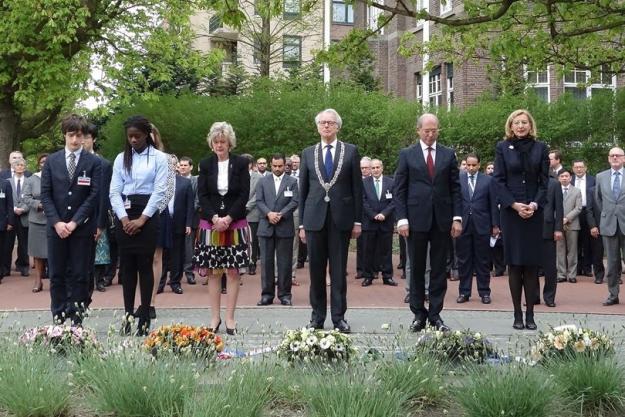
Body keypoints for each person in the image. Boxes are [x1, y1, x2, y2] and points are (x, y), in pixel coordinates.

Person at [395, 113, 462, 333]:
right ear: (418, 131)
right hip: (415, 220)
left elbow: (455, 188)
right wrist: (402, 219)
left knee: (439, 268)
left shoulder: (448, 154)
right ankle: (418, 313)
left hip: (442, 219)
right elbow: (400, 189)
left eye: (434, 130)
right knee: (415, 267)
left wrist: (456, 217)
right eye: (427, 131)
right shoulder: (407, 155)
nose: (431, 134)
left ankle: (435, 314)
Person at [299, 108, 363, 333]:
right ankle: (317, 317)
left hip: (341, 219)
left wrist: (358, 221)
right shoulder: (308, 153)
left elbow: (357, 188)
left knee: (338, 271)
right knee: (315, 271)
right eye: (322, 123)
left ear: (338, 126)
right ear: (317, 126)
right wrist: (301, 224)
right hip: (314, 220)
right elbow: (303, 189)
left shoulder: (351, 151)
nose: (326, 126)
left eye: (330, 123)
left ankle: (339, 318)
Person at [41, 114, 102, 325]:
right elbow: (46, 194)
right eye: (70, 135)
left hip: (81, 229)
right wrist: (57, 222)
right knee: (56, 275)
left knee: (80, 274)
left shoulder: (93, 162)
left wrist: (74, 222)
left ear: (85, 137)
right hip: (55, 228)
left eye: (79, 136)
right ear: (64, 135)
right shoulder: (51, 161)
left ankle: (77, 319)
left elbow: (94, 195)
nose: (75, 140)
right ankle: (58, 317)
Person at [109, 115, 168, 335]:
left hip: (148, 213)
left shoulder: (159, 158)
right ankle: (127, 314)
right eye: (130, 136)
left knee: (145, 264)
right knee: (127, 266)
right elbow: (114, 190)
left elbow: (160, 191)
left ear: (146, 135)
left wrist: (142, 219)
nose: (133, 140)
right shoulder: (120, 158)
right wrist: (124, 219)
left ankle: (144, 314)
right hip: (124, 212)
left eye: (137, 136)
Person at [492, 109, 549, 330]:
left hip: (534, 213)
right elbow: (498, 181)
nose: (521, 126)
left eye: (524, 122)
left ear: (530, 125)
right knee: (515, 264)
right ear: (511, 126)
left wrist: (534, 204)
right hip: (512, 213)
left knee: (532, 265)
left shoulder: (541, 148)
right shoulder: (503, 148)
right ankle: (517, 314)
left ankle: (531, 314)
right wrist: (514, 205)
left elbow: (545, 183)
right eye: (517, 123)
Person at [194, 122, 251, 335]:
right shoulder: (205, 164)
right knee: (214, 273)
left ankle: (230, 318)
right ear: (211, 143)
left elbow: (243, 194)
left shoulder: (241, 163)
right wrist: (215, 217)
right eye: (216, 142)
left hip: (235, 223)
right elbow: (203, 195)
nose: (219, 145)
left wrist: (228, 218)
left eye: (223, 142)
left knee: (234, 273)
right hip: (211, 225)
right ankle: (214, 317)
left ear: (230, 144)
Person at [256, 153, 299, 306]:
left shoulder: (292, 181)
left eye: (280, 166)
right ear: (270, 164)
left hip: (284, 225)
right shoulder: (262, 181)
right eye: (274, 166)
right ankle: (267, 295)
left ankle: (285, 294)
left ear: (285, 165)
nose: (277, 169)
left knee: (285, 262)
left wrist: (281, 214)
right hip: (266, 226)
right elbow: (259, 201)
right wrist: (269, 213)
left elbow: (295, 201)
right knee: (266, 263)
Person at [455, 153, 499, 305]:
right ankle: (464, 292)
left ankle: (484, 292)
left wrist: (495, 225)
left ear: (479, 165)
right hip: (463, 225)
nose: (471, 168)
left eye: (474, 165)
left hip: (482, 225)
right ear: (465, 165)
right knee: (464, 260)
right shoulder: (458, 179)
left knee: (483, 261)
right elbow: (455, 202)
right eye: (468, 165)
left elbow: (493, 203)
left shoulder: (488, 180)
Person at [593, 147, 625, 306]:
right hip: (608, 224)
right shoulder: (600, 177)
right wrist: (608, 213)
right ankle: (613, 295)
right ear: (608, 158)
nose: (615, 157)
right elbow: (598, 200)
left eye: (618, 155)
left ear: (624, 158)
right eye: (612, 155)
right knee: (612, 263)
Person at [158, 159, 194, 294]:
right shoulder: (158, 181)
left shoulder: (185, 182)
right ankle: (159, 284)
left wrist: (189, 224)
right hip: (162, 222)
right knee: (161, 255)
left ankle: (175, 282)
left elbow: (190, 205)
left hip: (179, 222)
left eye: (175, 165)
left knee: (177, 254)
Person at [361, 158, 397, 287]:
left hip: (386, 222)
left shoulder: (391, 182)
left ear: (382, 168)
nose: (375, 170)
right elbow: (363, 201)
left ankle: (387, 276)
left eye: (378, 167)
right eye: (373, 168)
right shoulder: (364, 183)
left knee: (386, 251)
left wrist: (384, 214)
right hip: (370, 222)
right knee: (368, 250)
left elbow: (394, 201)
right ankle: (368, 276)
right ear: (370, 169)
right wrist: (374, 215)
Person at [571, 159, 604, 282]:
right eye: (576, 167)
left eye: (581, 167)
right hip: (573, 213)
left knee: (590, 241)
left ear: (586, 168)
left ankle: (588, 268)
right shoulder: (570, 180)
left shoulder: (593, 180)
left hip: (588, 212)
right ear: (573, 169)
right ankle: (578, 268)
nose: (579, 169)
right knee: (576, 240)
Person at [21, 154, 48, 293]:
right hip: (36, 220)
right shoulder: (31, 179)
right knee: (37, 253)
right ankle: (38, 280)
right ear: (38, 164)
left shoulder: (57, 178)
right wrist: (38, 204)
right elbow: (25, 197)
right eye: (42, 161)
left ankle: (56, 280)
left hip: (53, 220)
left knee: (54, 251)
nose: (45, 163)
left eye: (47, 161)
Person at [555, 168, 582, 284]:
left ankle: (572, 274)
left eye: (566, 176)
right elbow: (551, 206)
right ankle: (561, 274)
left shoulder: (577, 191)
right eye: (562, 176)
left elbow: (578, 208)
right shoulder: (554, 190)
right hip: (558, 224)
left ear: (570, 178)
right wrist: (559, 219)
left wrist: (567, 218)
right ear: (558, 178)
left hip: (572, 224)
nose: (564, 178)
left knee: (572, 251)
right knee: (560, 250)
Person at [540, 175, 563, 307]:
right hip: (529, 229)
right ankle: (533, 296)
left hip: (548, 229)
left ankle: (549, 297)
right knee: (530, 267)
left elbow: (559, 208)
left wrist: (558, 228)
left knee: (549, 267)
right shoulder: (527, 181)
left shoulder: (554, 184)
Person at [5, 157, 30, 277]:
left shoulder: (29, 181)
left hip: (25, 216)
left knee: (24, 243)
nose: (20, 167)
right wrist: (13, 209)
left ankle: (23, 266)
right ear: (13, 167)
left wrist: (24, 208)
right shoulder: (7, 181)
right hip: (11, 216)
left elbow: (31, 198)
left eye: (22, 165)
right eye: (18, 165)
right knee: (8, 243)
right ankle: (5, 268)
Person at [178, 156, 199, 285]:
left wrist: (188, 212)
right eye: (181, 165)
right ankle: (176, 274)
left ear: (191, 167)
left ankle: (189, 273)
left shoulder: (196, 181)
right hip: (176, 220)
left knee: (188, 248)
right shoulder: (174, 180)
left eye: (185, 165)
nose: (183, 167)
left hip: (191, 219)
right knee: (176, 249)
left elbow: (197, 200)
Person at [244, 154, 262, 276]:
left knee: (253, 240)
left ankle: (252, 263)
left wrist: (246, 206)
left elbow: (258, 195)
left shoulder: (258, 178)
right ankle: (241, 262)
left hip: (253, 213)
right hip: (237, 213)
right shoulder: (234, 176)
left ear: (250, 165)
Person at [356, 156, 372, 279]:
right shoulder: (356, 181)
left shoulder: (375, 180)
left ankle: (374, 269)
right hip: (359, 217)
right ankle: (360, 269)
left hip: (374, 216)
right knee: (361, 245)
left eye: (366, 168)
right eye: (362, 168)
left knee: (373, 246)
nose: (364, 170)